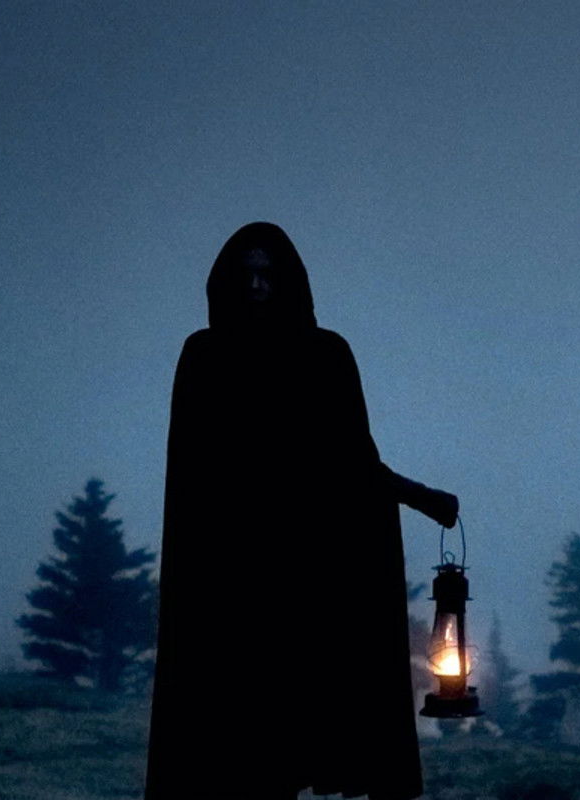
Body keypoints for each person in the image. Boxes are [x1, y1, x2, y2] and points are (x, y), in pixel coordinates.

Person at [146, 222, 457, 799]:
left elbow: (353, 463)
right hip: (231, 586)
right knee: (244, 750)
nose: (257, 288)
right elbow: (193, 478)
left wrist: (420, 497)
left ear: (289, 282)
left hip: (309, 583)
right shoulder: (205, 356)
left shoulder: (326, 355)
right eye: (246, 276)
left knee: (291, 741)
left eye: (268, 276)